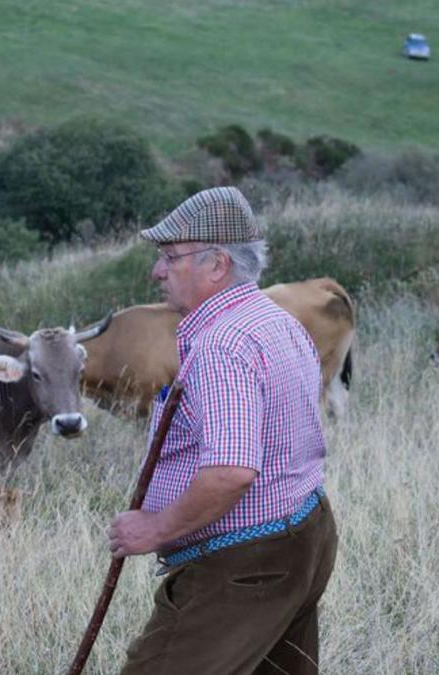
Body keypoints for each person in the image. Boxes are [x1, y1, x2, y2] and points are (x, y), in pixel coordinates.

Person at [108, 186, 338, 674]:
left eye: (171, 257)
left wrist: (154, 527)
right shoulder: (275, 320)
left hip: (245, 561)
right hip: (304, 532)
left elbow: (231, 472)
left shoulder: (221, 345)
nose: (157, 272)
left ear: (218, 266)